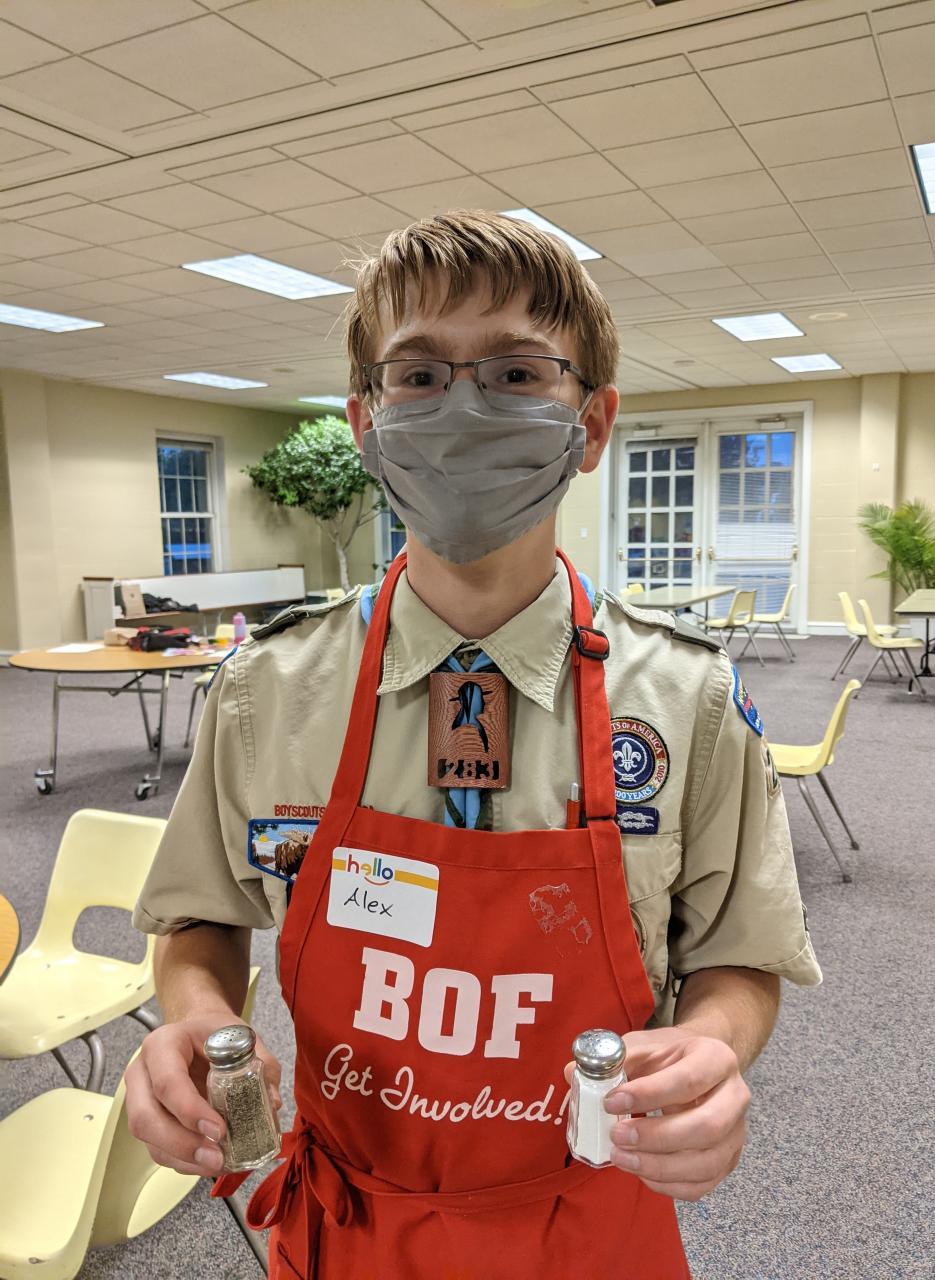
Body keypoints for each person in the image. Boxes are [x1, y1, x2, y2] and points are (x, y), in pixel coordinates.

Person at [128, 210, 821, 1279]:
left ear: (592, 425)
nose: (461, 409)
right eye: (417, 376)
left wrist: (714, 1047)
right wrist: (194, 1017)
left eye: (515, 373)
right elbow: (199, 916)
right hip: (351, 1230)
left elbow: (741, 951)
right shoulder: (265, 692)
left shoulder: (692, 700)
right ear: (365, 423)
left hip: (592, 1225)